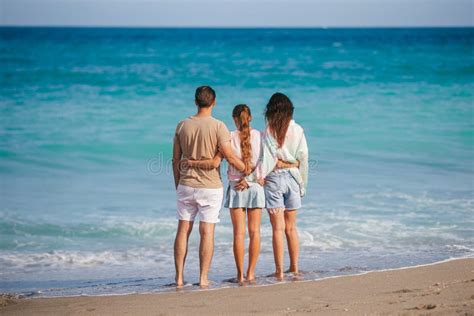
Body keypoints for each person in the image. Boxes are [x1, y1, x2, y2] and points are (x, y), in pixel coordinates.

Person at [172, 86, 249, 288]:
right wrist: (247, 169)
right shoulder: (218, 126)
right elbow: (229, 156)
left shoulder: (182, 125)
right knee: (207, 231)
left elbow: (175, 160)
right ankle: (203, 278)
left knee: (183, 230)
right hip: (210, 186)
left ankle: (179, 278)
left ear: (196, 102)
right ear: (213, 102)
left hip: (186, 183)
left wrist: (178, 183)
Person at [186, 104, 264, 284]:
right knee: (255, 232)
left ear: (234, 119)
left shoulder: (228, 137)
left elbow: (216, 161)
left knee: (238, 234)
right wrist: (252, 178)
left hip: (236, 187)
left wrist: (191, 162)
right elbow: (265, 162)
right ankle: (251, 274)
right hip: (255, 188)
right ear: (250, 117)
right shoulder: (260, 136)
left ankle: (240, 276)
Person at [237, 92, 308, 280]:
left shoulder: (269, 131)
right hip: (293, 180)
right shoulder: (298, 130)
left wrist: (251, 178)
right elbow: (304, 159)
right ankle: (294, 267)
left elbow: (266, 163)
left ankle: (279, 271)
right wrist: (302, 184)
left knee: (278, 228)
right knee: (291, 228)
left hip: (275, 181)